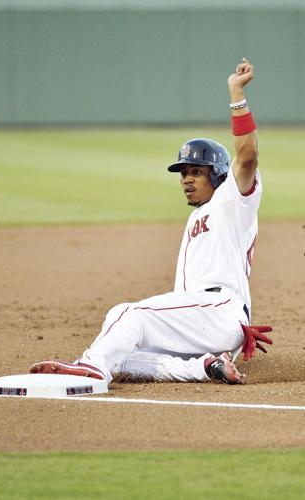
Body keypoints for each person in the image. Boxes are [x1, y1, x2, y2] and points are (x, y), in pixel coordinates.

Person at [30, 58, 272, 385]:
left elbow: (248, 157)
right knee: (124, 352)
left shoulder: (232, 200)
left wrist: (236, 94)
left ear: (217, 175)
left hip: (220, 308)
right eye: (183, 173)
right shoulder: (196, 218)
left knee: (125, 315)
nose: (187, 179)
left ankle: (90, 366)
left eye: (196, 172)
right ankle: (206, 367)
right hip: (203, 317)